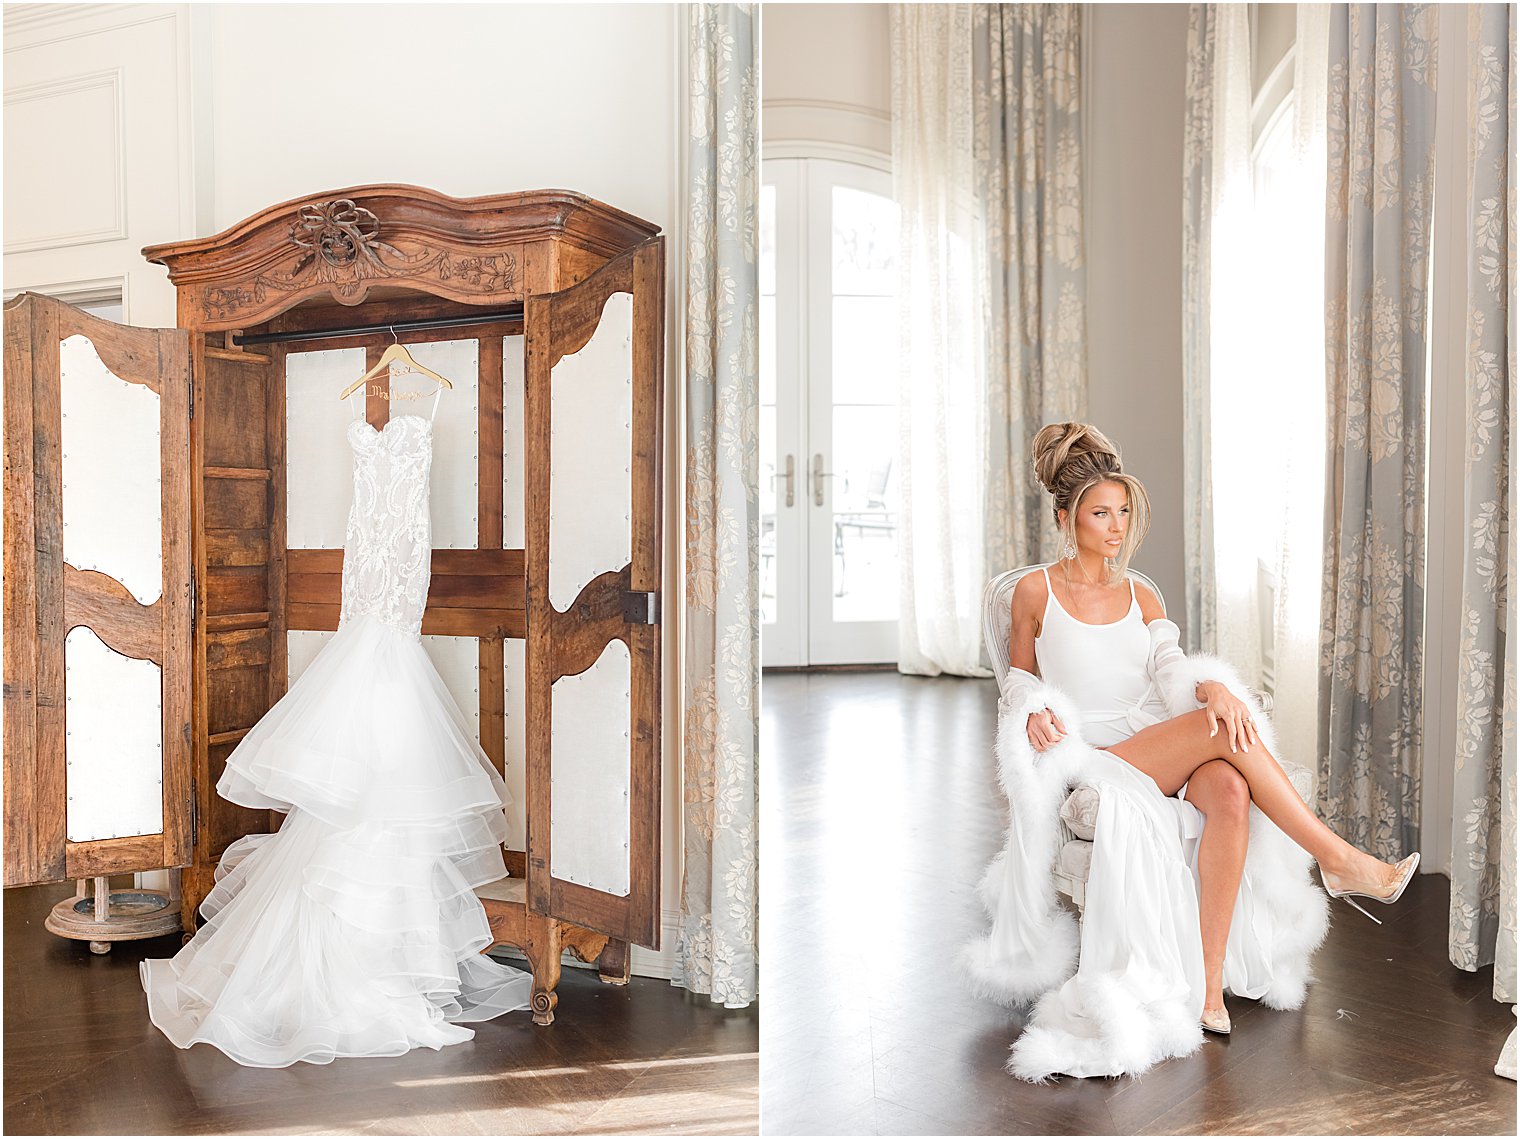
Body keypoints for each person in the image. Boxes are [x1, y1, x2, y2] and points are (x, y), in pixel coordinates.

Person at [966, 421, 1418, 1080]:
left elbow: (1170, 666)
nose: (1115, 525)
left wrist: (1211, 687)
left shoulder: (1141, 592)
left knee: (1230, 788)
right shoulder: (1035, 591)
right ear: (1066, 517)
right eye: (1099, 513)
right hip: (1094, 753)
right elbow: (1020, 681)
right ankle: (1337, 857)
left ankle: (1209, 992)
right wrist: (1034, 711)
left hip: (1156, 739)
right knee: (1217, 727)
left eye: (1122, 510)